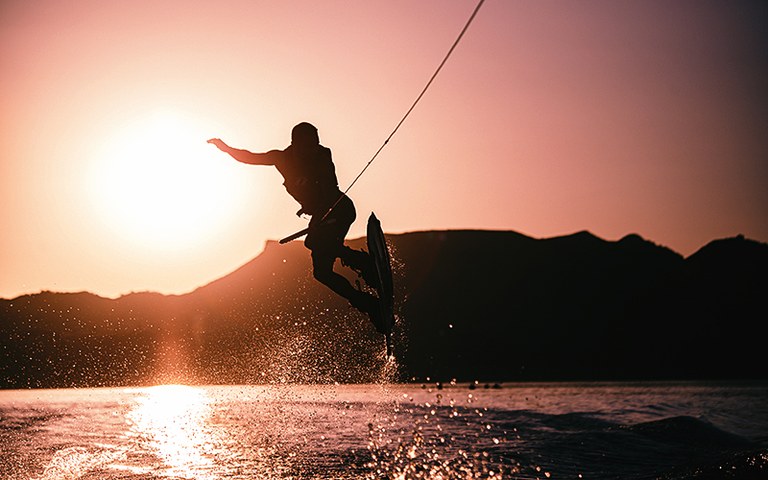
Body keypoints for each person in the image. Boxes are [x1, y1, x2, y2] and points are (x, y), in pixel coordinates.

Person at [208, 122, 384, 331]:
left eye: (316, 143)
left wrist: (317, 213)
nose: (313, 149)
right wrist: (227, 149)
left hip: (340, 210)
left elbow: (328, 188)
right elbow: (250, 157)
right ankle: (369, 305)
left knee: (314, 242)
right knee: (321, 273)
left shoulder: (323, 155)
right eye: (309, 145)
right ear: (295, 144)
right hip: (321, 216)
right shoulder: (281, 158)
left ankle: (364, 263)